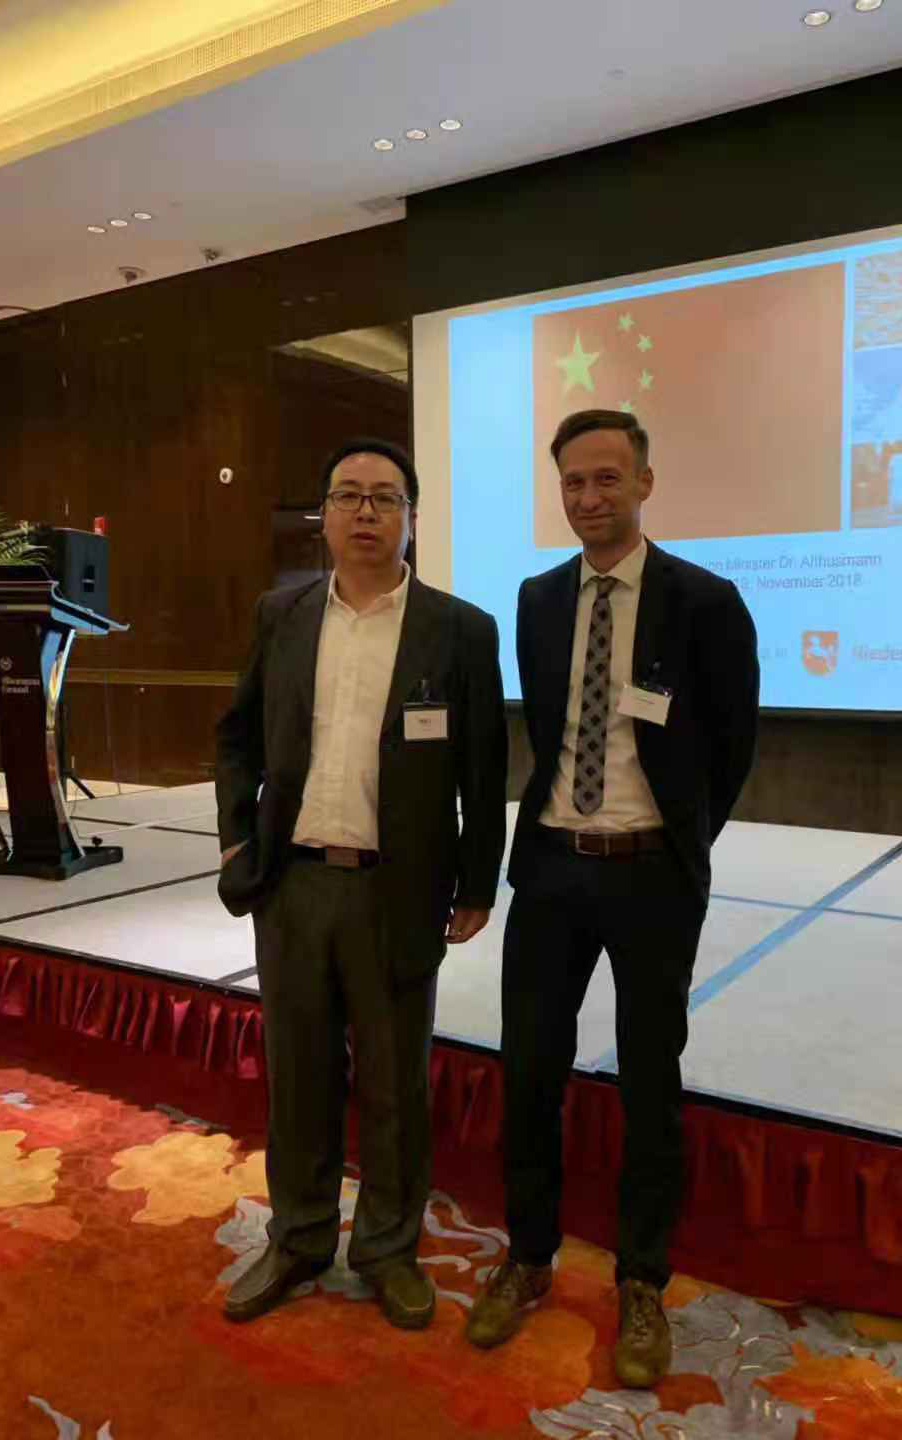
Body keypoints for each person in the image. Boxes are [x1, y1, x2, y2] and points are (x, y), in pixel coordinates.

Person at [466, 409, 758, 1387]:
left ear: (644, 482)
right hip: (552, 867)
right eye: (573, 483)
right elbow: (547, 732)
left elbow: (733, 747)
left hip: (650, 875)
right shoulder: (539, 599)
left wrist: (677, 845)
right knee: (529, 1071)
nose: (589, 498)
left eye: (606, 478)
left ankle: (640, 1280)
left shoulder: (704, 601)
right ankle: (528, 1256)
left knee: (649, 1082)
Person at [215, 438, 507, 1329]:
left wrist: (477, 883)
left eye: (386, 497)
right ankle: (300, 1237)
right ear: (326, 516)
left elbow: (484, 769)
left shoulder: (460, 630)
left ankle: (386, 1249)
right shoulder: (283, 613)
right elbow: (237, 737)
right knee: (298, 1079)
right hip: (294, 888)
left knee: (394, 1087)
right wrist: (236, 845)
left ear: (412, 515)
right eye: (348, 495)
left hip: (398, 891)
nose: (366, 512)